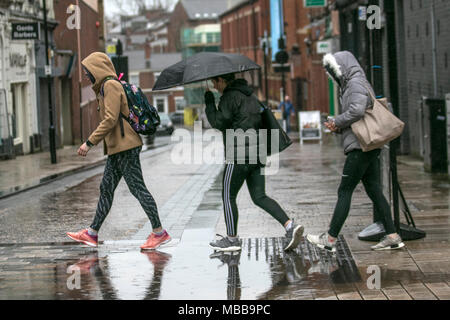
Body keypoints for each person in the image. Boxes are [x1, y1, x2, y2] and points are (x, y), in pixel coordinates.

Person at [66, 52, 170, 251]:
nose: (87, 75)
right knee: (106, 188)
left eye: (88, 71)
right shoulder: (105, 88)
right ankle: (92, 233)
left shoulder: (111, 86)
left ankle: (159, 232)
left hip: (126, 146)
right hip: (118, 147)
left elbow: (111, 119)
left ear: (97, 69)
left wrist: (89, 142)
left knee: (137, 189)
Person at [306, 51, 405, 252]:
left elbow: (358, 111)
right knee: (374, 189)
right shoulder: (355, 83)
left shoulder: (355, 84)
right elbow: (356, 113)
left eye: (334, 70)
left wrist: (337, 121)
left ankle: (330, 240)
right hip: (367, 145)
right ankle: (393, 235)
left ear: (342, 67)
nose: (334, 75)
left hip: (360, 146)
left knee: (344, 191)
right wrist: (340, 125)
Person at [204, 73, 304, 252]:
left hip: (238, 155)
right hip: (258, 154)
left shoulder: (229, 97)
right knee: (260, 196)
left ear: (222, 80)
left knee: (228, 196)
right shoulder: (251, 95)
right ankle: (290, 226)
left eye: (215, 82)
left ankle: (232, 239)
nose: (214, 86)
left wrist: (209, 101)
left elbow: (218, 122)